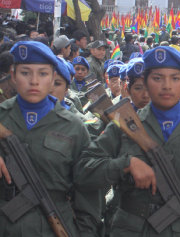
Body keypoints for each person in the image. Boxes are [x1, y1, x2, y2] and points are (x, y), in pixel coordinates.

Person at [75, 46, 180, 236]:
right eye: (157, 78)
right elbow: (83, 171)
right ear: (145, 82)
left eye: (175, 78)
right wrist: (125, 165)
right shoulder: (125, 126)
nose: (166, 86)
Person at [0, 41, 100, 236]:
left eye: (43, 73)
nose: (34, 81)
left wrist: (85, 232)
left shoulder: (74, 127)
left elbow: (88, 191)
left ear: (54, 78)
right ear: (12, 76)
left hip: (52, 225)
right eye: (25, 72)